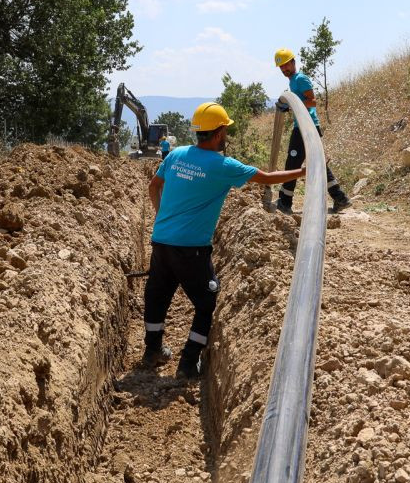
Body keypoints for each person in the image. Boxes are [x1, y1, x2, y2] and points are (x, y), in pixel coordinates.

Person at [143, 102, 307, 379]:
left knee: (157, 296)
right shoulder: (223, 165)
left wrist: (163, 217)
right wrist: (302, 172)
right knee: (207, 303)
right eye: (226, 131)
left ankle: (152, 351)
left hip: (161, 241)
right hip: (191, 249)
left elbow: (153, 186)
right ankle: (188, 362)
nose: (226, 135)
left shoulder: (176, 155)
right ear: (218, 133)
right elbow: (266, 178)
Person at [272, 47, 351, 215]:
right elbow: (302, 101)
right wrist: (289, 106)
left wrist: (293, 104)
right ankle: (340, 198)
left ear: (293, 62)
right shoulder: (293, 81)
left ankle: (285, 203)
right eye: (281, 67)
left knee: (292, 164)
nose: (284, 69)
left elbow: (312, 102)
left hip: (305, 128)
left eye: (286, 65)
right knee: (318, 163)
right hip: (303, 126)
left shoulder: (300, 79)